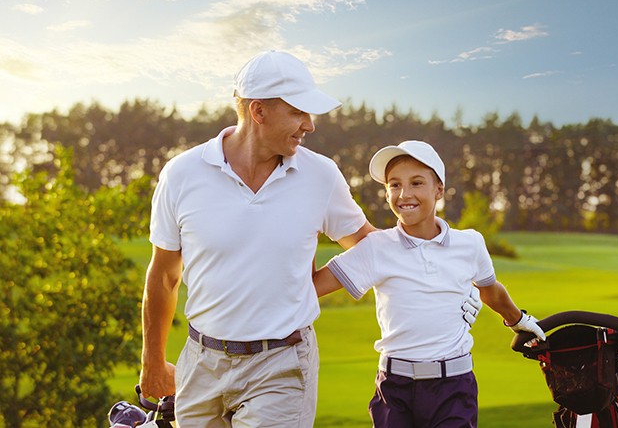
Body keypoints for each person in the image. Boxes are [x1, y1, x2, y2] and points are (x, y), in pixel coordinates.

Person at [138, 50, 377, 427]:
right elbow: (164, 275)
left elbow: (370, 246)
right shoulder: (181, 174)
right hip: (201, 363)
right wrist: (152, 360)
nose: (309, 126)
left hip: (281, 364)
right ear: (258, 111)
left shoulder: (321, 175)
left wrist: (314, 285)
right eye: (298, 112)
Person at [312, 140, 546, 428]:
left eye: (416, 183)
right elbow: (311, 287)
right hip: (394, 389)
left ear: (439, 190)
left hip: (453, 388)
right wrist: (306, 230)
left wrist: (518, 319)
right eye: (394, 185)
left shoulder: (470, 243)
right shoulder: (376, 247)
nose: (404, 194)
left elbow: (490, 290)